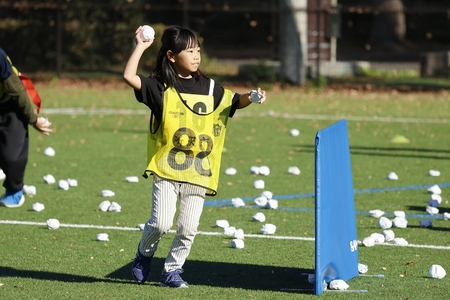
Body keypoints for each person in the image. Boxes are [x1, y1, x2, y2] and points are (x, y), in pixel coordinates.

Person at [123, 26, 266, 288]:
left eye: (198, 50)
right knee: (161, 223)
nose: (197, 55)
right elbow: (129, 76)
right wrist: (141, 46)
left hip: (199, 171)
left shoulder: (211, 87)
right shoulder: (160, 87)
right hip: (167, 169)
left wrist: (251, 97)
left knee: (188, 228)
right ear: (171, 55)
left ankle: (172, 270)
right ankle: (144, 254)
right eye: (190, 51)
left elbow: (234, 102)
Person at [0, 47, 53, 208]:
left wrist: (33, 120)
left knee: (11, 155)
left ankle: (15, 191)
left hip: (9, 104)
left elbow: (17, 91)